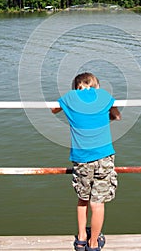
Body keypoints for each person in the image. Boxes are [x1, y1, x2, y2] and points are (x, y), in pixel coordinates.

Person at [51, 72, 121, 251]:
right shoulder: (104, 95)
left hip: (81, 159)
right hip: (104, 157)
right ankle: (94, 243)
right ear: (96, 85)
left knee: (83, 199)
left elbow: (53, 109)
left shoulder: (70, 98)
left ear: (76, 87)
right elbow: (117, 116)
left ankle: (81, 238)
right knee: (97, 203)